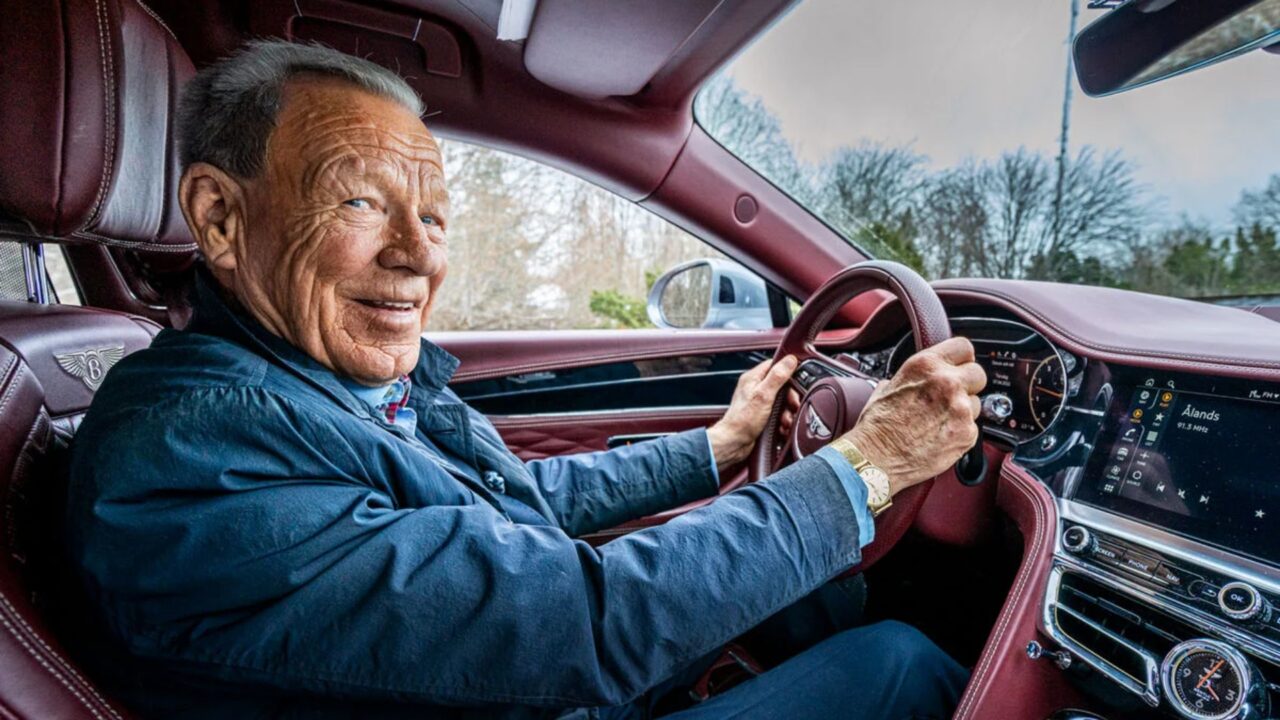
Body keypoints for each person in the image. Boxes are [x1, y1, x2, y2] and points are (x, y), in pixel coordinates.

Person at [65, 40, 986, 719]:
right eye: (360, 200)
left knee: (810, 597)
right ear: (221, 218)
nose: (418, 256)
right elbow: (583, 620)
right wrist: (867, 465)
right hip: (548, 681)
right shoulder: (189, 449)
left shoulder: (309, 381)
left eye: (433, 216)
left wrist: (714, 450)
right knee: (898, 668)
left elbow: (515, 502)